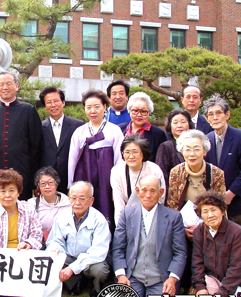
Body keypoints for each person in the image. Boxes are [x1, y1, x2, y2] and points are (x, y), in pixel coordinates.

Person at [203, 93, 241, 272]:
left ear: (227, 115)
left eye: (218, 113)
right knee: (219, 244)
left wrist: (230, 194)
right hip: (215, 203)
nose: (215, 118)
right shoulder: (205, 139)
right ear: (207, 118)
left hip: (240, 201)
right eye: (210, 114)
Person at [112, 175, 187, 297]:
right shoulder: (127, 214)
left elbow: (180, 253)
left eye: (153, 191)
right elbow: (118, 248)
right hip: (133, 275)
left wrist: (172, 279)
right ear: (137, 191)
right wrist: (121, 275)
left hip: (160, 278)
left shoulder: (174, 217)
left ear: (161, 192)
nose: (148, 195)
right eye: (144, 190)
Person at [167, 129, 226, 293]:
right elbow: (172, 206)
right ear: (181, 151)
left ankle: (202, 284)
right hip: (183, 227)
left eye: (196, 149)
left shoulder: (216, 174)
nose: (191, 153)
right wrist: (181, 229)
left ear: (205, 151)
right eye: (187, 149)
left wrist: (203, 229)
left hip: (209, 225)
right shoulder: (176, 173)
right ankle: (182, 284)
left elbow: (220, 208)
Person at [0, 72, 42, 206]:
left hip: (22, 171)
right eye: (1, 84)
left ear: (16, 86)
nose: (5, 87)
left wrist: (34, 177)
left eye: (9, 83)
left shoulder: (28, 110)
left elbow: (36, 145)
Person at [68, 89, 124, 230]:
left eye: (97, 106)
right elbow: (72, 160)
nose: (93, 111)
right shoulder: (79, 132)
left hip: (106, 176)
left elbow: (119, 159)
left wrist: (118, 186)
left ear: (105, 107)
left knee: (106, 209)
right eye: (89, 107)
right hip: (84, 174)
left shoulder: (114, 130)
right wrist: (71, 186)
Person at [46, 181, 110, 297]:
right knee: (52, 260)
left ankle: (96, 289)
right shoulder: (62, 216)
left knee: (100, 270)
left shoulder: (99, 220)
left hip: (90, 260)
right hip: (69, 256)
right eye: (73, 198)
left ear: (91, 201)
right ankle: (75, 284)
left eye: (82, 199)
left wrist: (72, 268)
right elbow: (55, 240)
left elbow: (98, 251)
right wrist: (55, 249)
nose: (77, 203)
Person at [110, 134, 165, 225]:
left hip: (152, 217)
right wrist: (121, 228)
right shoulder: (116, 171)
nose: (131, 156)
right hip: (127, 217)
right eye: (127, 152)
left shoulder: (154, 169)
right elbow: (119, 204)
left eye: (135, 152)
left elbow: (160, 199)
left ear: (142, 153)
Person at [38, 87, 84, 194]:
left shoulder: (78, 125)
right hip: (47, 182)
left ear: (63, 102)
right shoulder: (39, 127)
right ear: (45, 106)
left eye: (56, 101)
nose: (53, 105)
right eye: (49, 102)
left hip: (70, 179)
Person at [0, 168, 42, 250]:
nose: (7, 195)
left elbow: (37, 235)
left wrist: (28, 244)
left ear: (18, 192)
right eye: (3, 191)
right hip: (2, 259)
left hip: (26, 256)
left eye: (11, 190)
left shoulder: (29, 210)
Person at [118, 91, 167, 162]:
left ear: (149, 113)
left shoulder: (158, 134)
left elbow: (161, 159)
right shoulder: (118, 129)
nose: (139, 114)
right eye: (135, 110)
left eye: (143, 111)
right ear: (129, 111)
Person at [27, 166, 71, 244]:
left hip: (60, 244)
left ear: (56, 184)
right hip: (36, 244)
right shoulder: (31, 204)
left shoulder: (68, 204)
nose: (47, 187)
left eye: (50, 183)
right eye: (43, 184)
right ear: (38, 186)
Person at [155, 109, 194, 192]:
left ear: (189, 125)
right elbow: (162, 175)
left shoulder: (196, 145)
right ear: (170, 126)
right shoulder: (166, 147)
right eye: (175, 123)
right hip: (173, 193)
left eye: (183, 122)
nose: (179, 125)